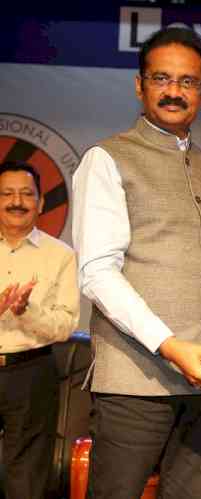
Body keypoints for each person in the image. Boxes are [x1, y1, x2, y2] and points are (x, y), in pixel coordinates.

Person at [72, 27, 201, 499]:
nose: (174, 91)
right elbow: (97, 273)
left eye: (187, 82)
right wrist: (170, 346)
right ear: (139, 85)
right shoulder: (107, 159)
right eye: (161, 79)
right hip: (134, 383)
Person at [0, 161, 79, 499]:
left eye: (26, 194)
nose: (17, 201)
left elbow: (65, 326)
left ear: (41, 202)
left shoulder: (60, 255)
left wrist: (24, 310)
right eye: (7, 193)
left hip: (30, 372)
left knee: (27, 479)